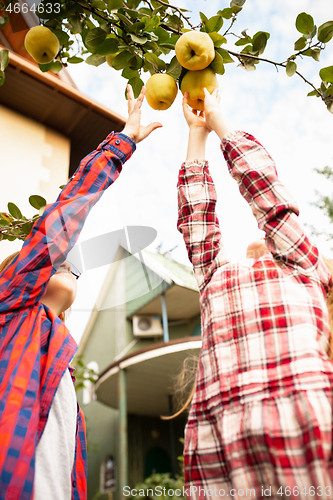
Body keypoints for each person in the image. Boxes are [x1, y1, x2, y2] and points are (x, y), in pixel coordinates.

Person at [0, 85, 161, 500]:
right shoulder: (12, 307)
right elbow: (63, 218)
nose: (68, 261)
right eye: (54, 261)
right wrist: (122, 141)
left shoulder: (60, 352)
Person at [177, 89, 333, 500]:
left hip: (306, 425)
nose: (259, 241)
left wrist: (220, 121)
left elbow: (267, 194)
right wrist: (198, 134)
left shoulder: (302, 262)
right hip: (221, 440)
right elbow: (197, 222)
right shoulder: (216, 278)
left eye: (269, 237)